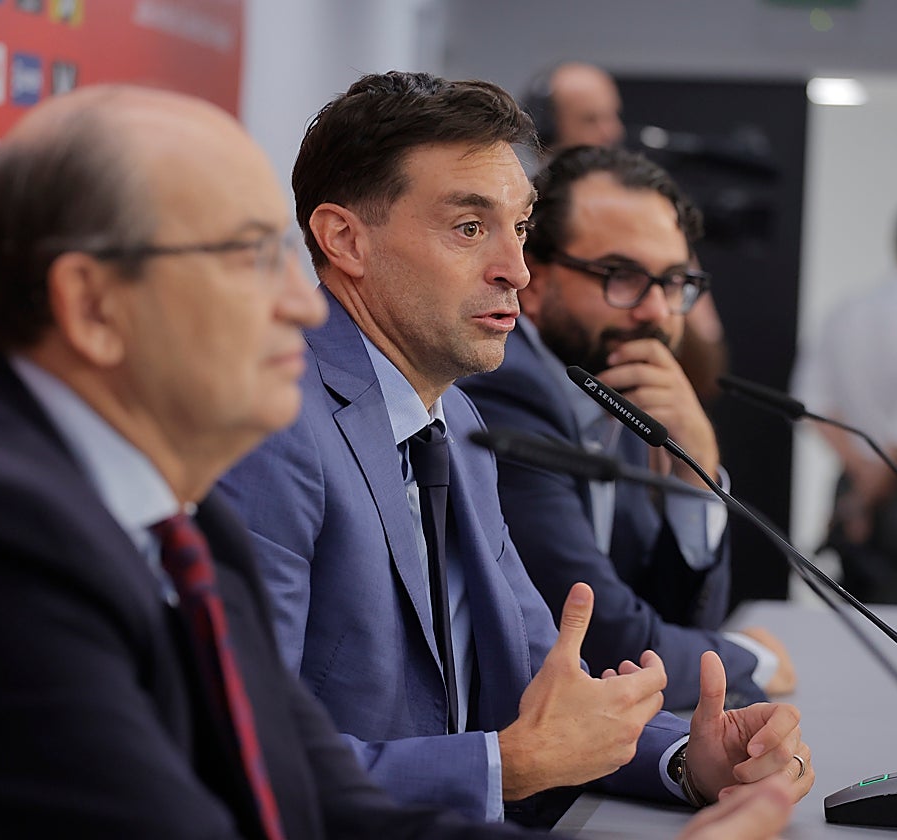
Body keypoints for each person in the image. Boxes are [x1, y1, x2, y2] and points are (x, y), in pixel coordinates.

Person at [0, 82, 540, 839]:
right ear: (95, 308)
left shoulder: (182, 523)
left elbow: (322, 802)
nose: (302, 302)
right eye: (252, 258)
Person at [218, 70, 813, 830]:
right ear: (344, 240)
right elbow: (246, 759)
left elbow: (540, 684)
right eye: (470, 228)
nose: (517, 271)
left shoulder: (458, 423)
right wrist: (512, 766)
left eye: (521, 228)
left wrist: (687, 758)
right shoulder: (271, 426)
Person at [458, 145, 795, 710]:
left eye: (673, 281)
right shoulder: (506, 389)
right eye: (621, 275)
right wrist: (748, 658)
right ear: (533, 277)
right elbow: (613, 645)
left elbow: (669, 614)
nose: (656, 313)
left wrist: (697, 471)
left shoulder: (619, 384)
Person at [522, 61, 726, 404]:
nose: (609, 133)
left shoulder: (653, 224)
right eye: (590, 119)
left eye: (612, 116)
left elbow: (706, 369)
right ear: (547, 130)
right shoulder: (516, 222)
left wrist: (670, 268)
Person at [793, 204, 897, 605]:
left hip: (851, 485)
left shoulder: (847, 309)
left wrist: (857, 483)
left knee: (854, 627)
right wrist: (865, 498)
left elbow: (810, 402)